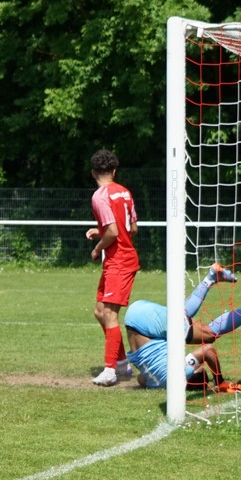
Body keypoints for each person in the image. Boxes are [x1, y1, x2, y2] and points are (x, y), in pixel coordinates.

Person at [123, 263, 241, 392]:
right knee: (183, 318)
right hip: (134, 320)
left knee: (209, 335)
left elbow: (208, 351)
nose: (200, 366)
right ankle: (215, 279)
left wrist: (218, 381)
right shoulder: (154, 383)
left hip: (144, 322)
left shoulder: (180, 374)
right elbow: (141, 379)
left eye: (199, 369)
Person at [86, 149, 140, 387]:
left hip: (120, 261)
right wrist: (102, 231)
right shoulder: (125, 192)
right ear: (114, 171)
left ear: (93, 173)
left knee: (109, 314)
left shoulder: (100, 196)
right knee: (100, 312)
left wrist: (98, 247)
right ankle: (120, 363)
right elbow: (132, 229)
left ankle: (110, 371)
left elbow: (113, 232)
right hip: (119, 260)